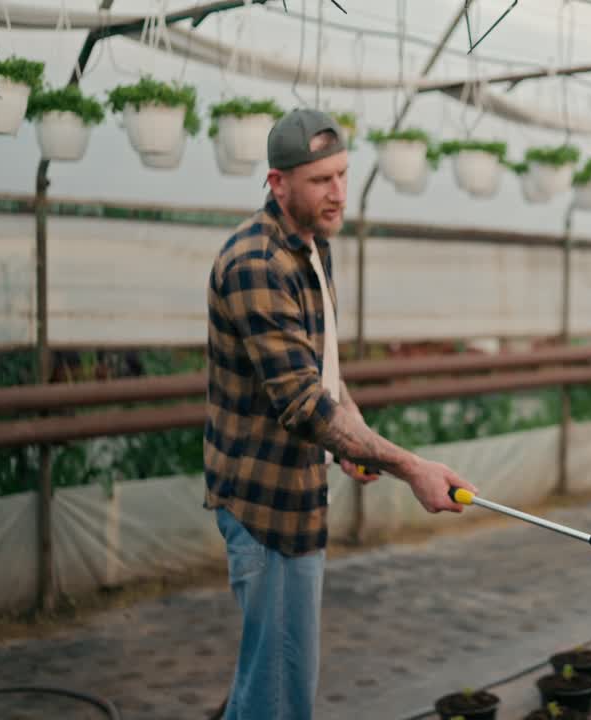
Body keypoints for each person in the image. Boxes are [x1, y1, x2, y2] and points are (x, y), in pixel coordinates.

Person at [203, 108, 477, 720]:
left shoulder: (312, 248)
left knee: (284, 685)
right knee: (274, 695)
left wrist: (347, 444)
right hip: (263, 505)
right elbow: (302, 404)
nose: (337, 193)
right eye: (320, 180)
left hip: (300, 499)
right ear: (278, 183)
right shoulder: (255, 263)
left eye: (343, 175)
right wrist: (411, 468)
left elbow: (322, 374)